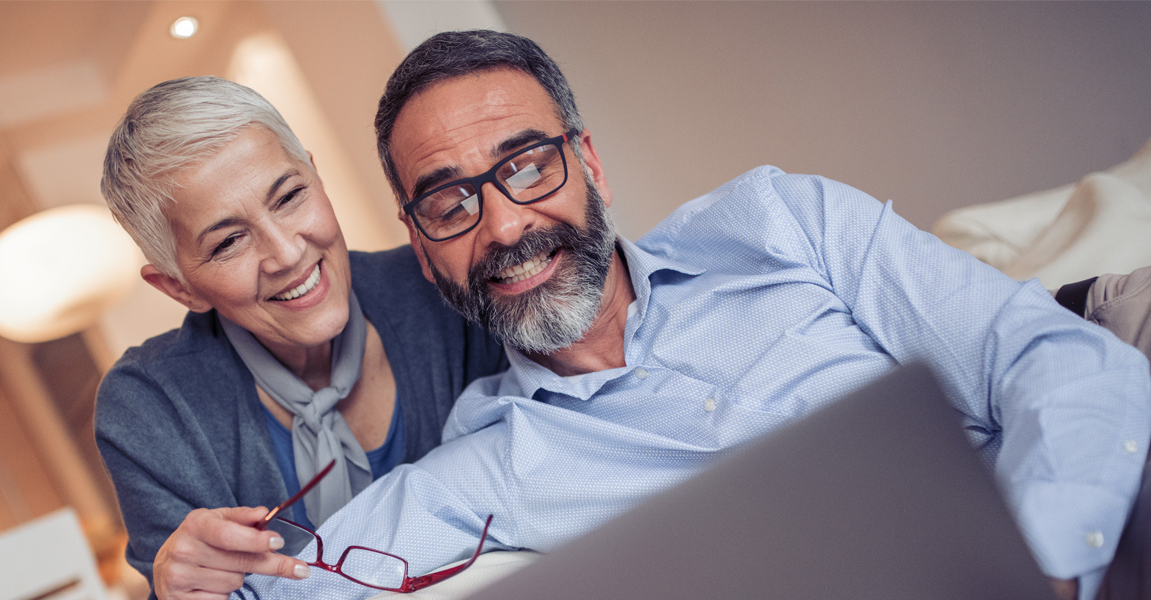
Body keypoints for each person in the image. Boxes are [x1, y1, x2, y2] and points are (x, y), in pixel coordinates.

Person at [240, 30, 1150, 600]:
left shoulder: (783, 222)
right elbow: (289, 586)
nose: (506, 226)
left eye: (526, 167)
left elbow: (1051, 360)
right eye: (450, 203)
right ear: (417, 238)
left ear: (587, 161)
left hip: (1088, 535)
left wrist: (1047, 572)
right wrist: (190, 581)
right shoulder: (488, 467)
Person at [93, 76, 506, 599]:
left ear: (316, 174)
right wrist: (175, 590)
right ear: (179, 288)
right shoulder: (150, 409)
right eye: (228, 242)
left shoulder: (442, 282)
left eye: (289, 196)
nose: (287, 253)